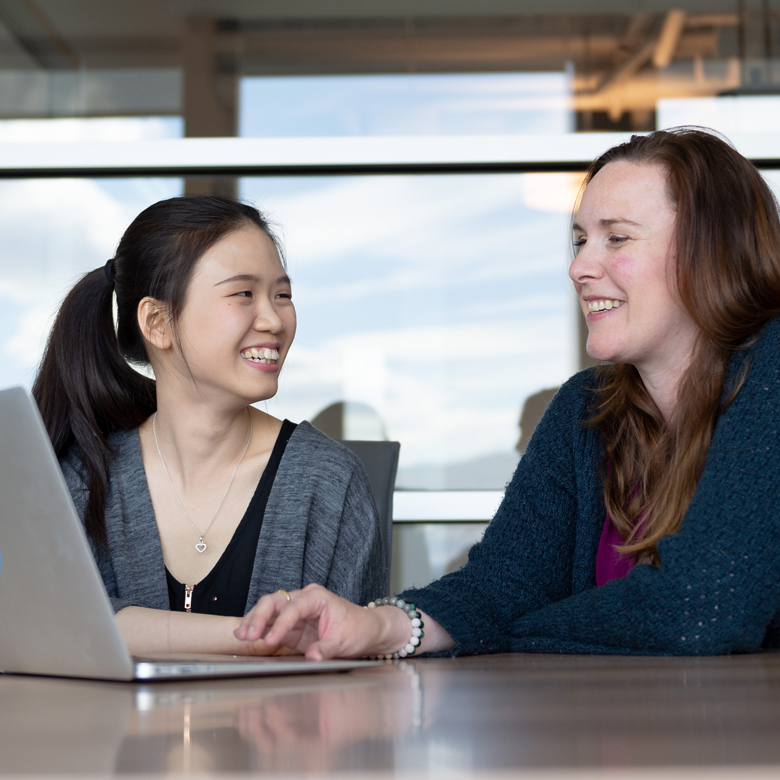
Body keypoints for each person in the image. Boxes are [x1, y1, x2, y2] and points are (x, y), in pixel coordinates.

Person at [234, 127, 780, 659]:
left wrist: (515, 628)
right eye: (581, 240)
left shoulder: (772, 369)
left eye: (617, 238)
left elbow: (703, 609)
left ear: (713, 250)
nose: (580, 268)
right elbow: (499, 588)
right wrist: (377, 625)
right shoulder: (586, 408)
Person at [34, 196, 386, 655]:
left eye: (282, 295)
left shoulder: (329, 483)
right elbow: (50, 628)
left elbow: (361, 664)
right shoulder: (85, 479)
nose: (273, 319)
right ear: (158, 322)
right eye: (244, 294)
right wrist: (261, 641)